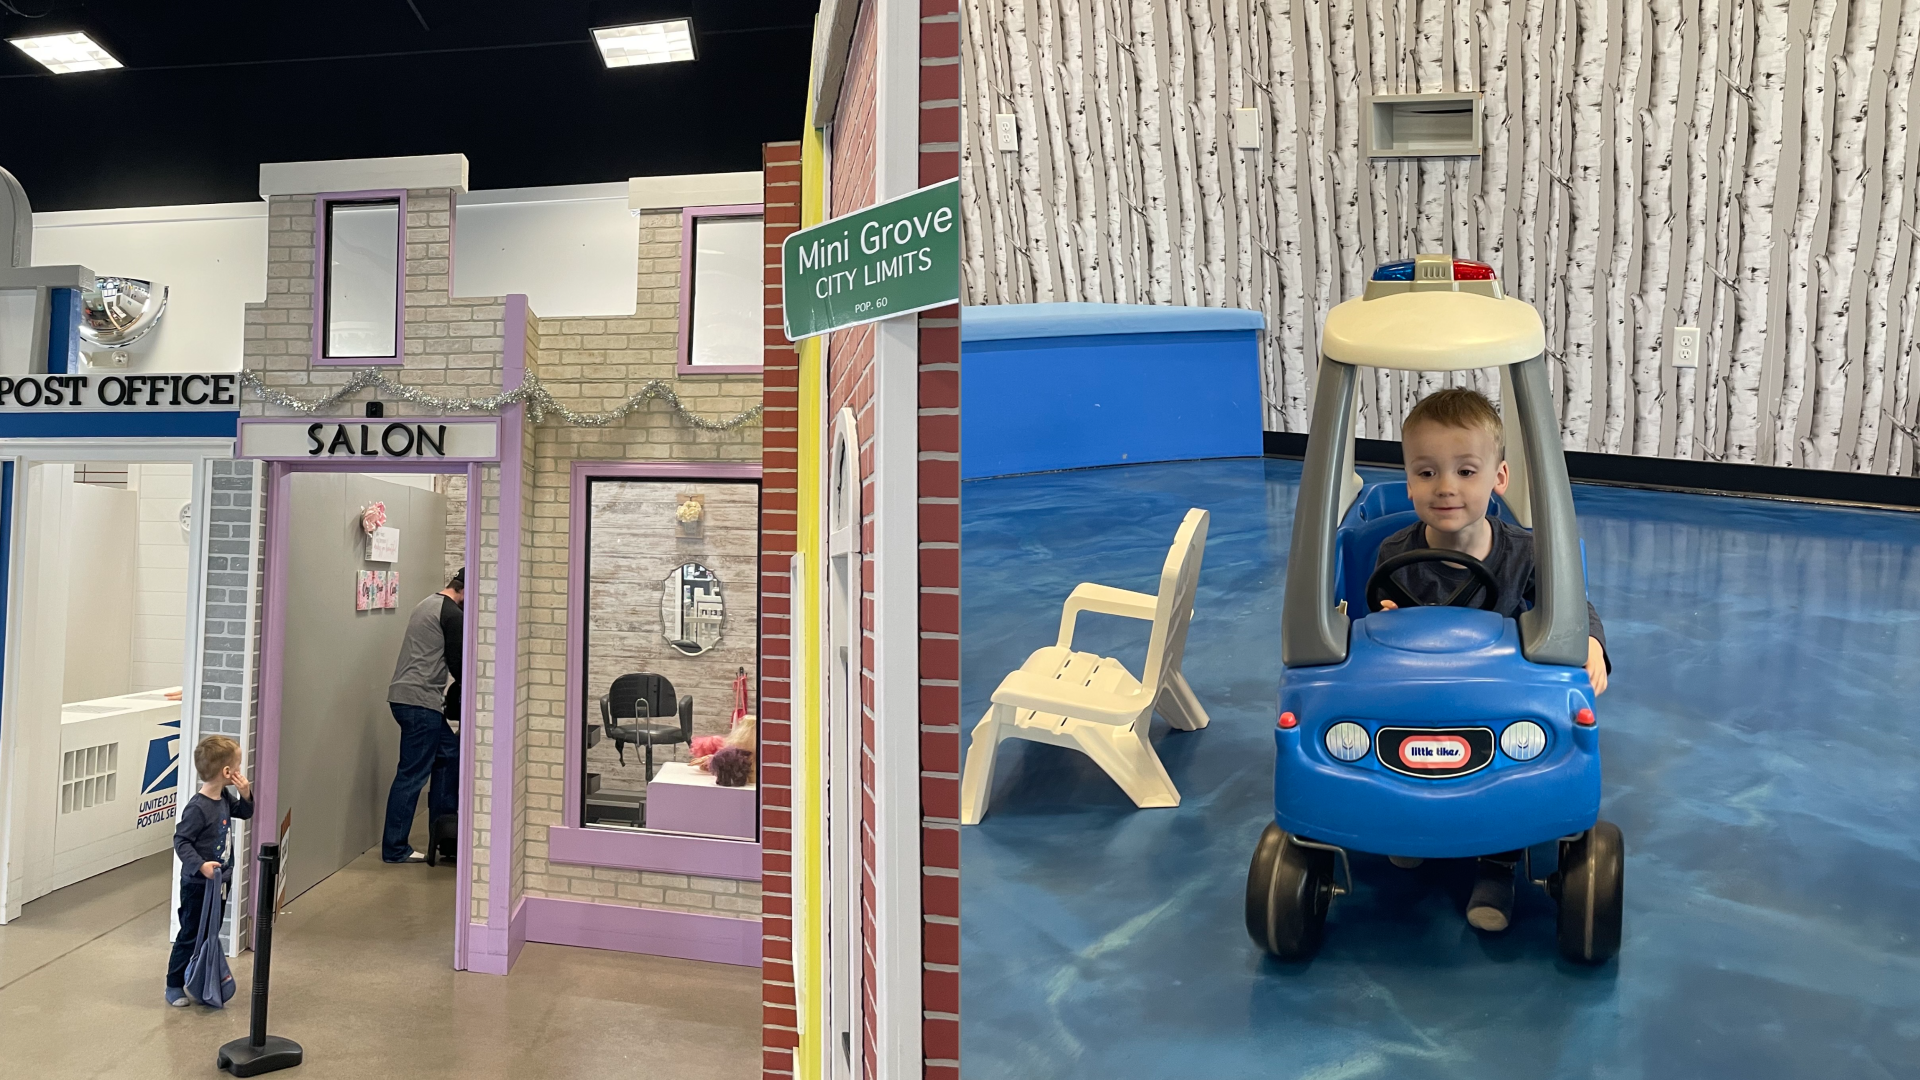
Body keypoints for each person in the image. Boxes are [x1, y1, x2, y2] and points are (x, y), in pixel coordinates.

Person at [1370, 387, 1612, 934]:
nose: (1446, 488)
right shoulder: (1393, 555)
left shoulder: (1526, 553)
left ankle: (1497, 867)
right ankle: (1404, 827)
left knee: (1516, 764)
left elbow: (1573, 607)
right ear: (1408, 481)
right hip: (1417, 700)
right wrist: (1381, 620)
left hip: (1495, 705)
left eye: (1466, 471)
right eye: (1427, 473)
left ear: (1498, 479)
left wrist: (1592, 644)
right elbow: (1371, 628)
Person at [382, 569, 463, 863]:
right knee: (412, 775)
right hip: (420, 703)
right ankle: (394, 849)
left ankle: (444, 839)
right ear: (465, 592)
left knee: (449, 755)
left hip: (405, 698)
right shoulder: (452, 614)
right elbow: (460, 664)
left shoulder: (427, 603)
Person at [167, 735, 252, 1006]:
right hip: (197, 885)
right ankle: (174, 984)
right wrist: (200, 865)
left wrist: (246, 793)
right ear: (227, 772)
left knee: (210, 934)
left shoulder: (224, 797)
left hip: (219, 883)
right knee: (191, 934)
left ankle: (201, 977)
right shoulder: (198, 808)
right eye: (237, 765)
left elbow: (245, 812)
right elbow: (181, 841)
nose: (240, 770)